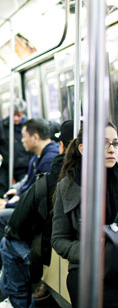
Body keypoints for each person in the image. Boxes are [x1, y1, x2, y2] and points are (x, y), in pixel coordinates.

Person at [0, 120, 74, 308]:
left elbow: (21, 221)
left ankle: (19, 301)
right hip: (65, 240)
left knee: (7, 240)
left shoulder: (56, 171)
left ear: (62, 146)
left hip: (56, 246)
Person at [0, 118, 59, 286]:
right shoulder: (37, 157)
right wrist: (15, 194)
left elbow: (36, 196)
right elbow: (28, 186)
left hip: (39, 213)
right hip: (30, 204)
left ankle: (3, 267)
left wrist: (10, 205)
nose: (21, 140)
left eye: (24, 137)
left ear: (35, 137)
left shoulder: (48, 159)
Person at [51, 123, 118, 308]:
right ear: (83, 148)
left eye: (115, 143)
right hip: (86, 269)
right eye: (104, 143)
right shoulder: (68, 187)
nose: (111, 149)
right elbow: (58, 239)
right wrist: (89, 251)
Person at [0, 99, 32, 198]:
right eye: (13, 115)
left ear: (23, 113)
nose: (15, 118)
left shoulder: (30, 127)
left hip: (24, 166)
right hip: (4, 165)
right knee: (1, 190)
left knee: (24, 191)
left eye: (19, 115)